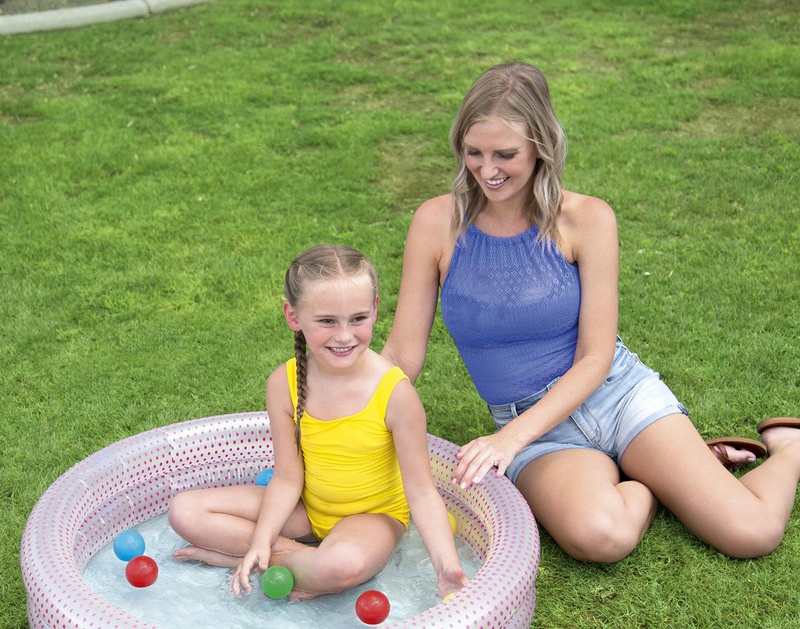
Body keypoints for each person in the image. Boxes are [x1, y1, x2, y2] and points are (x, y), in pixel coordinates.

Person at [382, 62, 800, 563]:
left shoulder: (587, 219)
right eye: (473, 152)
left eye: (505, 154)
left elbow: (596, 356)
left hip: (616, 395)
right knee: (600, 537)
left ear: (542, 145)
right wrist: (341, 406)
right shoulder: (436, 224)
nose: (486, 170)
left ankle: (789, 446)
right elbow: (403, 353)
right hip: (538, 432)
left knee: (751, 533)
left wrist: (505, 442)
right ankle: (653, 478)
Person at [169, 244, 467, 600]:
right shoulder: (284, 383)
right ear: (293, 316)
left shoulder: (395, 393)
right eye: (327, 321)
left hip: (373, 519)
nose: (344, 336)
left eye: (358, 319)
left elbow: (421, 492)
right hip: (308, 509)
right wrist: (262, 539)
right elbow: (286, 477)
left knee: (340, 565)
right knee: (185, 511)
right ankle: (285, 561)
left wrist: (447, 566)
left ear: (374, 310)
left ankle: (250, 558)